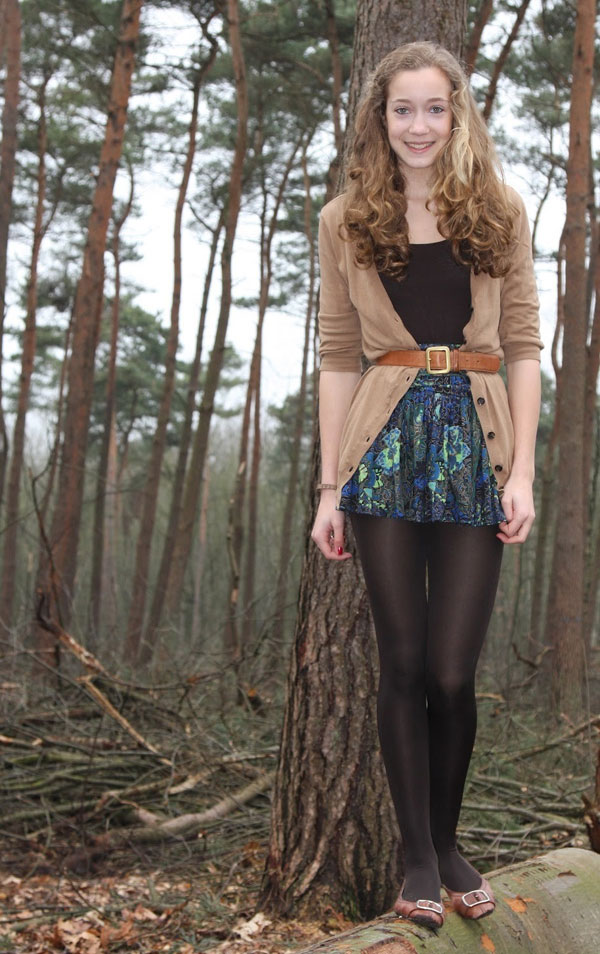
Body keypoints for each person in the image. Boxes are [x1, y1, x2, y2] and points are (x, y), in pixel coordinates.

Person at [311, 41, 542, 931]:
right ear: (381, 117)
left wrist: (523, 472)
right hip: (383, 448)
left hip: (477, 446)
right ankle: (417, 859)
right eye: (402, 109)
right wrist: (330, 488)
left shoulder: (498, 210)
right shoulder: (345, 220)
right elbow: (339, 354)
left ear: (458, 114)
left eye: (434, 108)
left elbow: (524, 346)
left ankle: (447, 842)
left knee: (452, 671)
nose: (419, 126)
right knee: (402, 663)